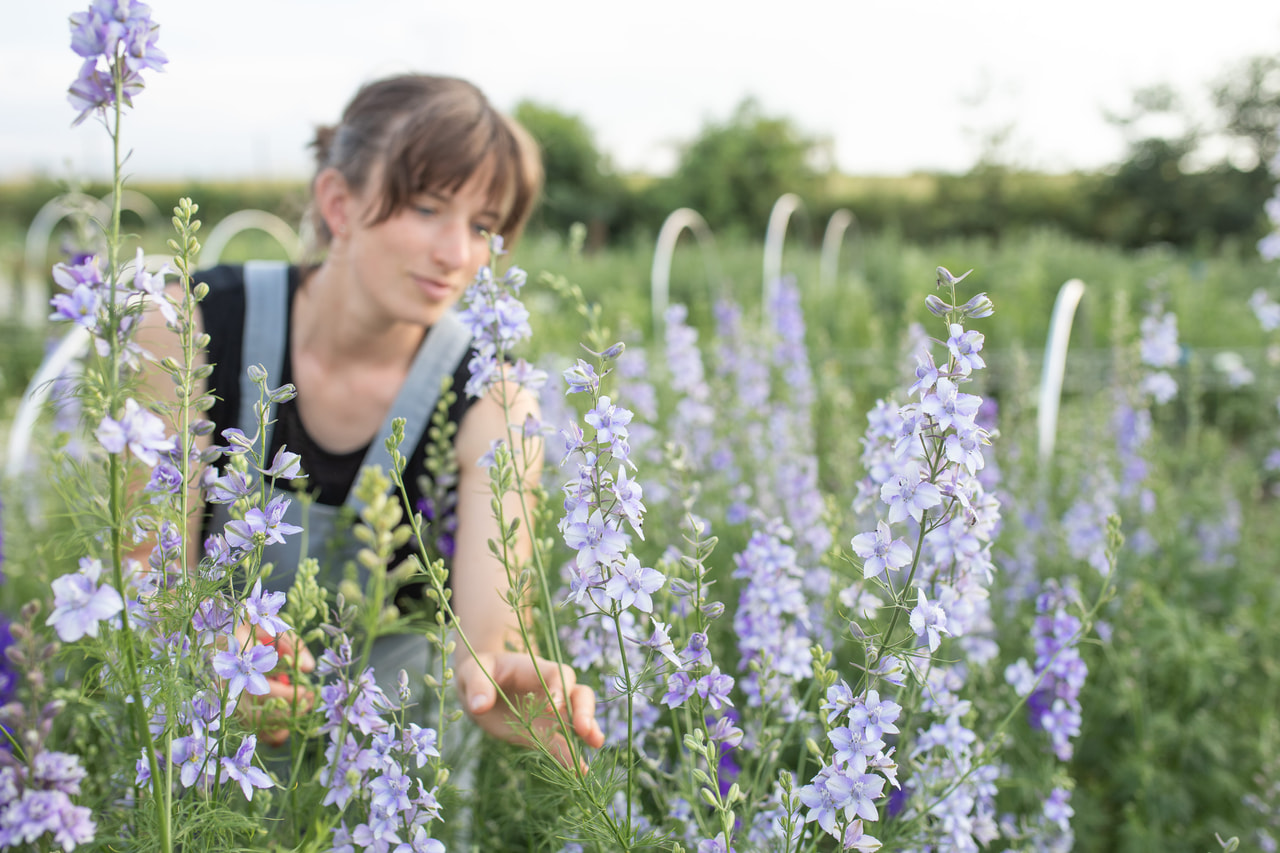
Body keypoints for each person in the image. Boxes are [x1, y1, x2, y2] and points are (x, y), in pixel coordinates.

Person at [140, 74, 603, 766]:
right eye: (427, 207)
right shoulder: (186, 330)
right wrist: (208, 646)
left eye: (483, 227)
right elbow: (144, 575)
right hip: (195, 756)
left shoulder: (497, 403)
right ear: (339, 202)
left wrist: (505, 680)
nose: (457, 255)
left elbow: (494, 636)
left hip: (391, 784)